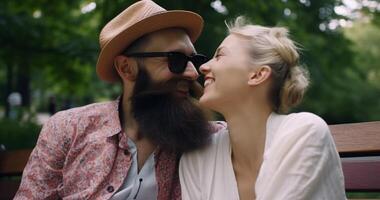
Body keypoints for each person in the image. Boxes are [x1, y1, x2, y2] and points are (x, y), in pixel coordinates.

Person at [14, 1, 223, 199]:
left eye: (194, 61)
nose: (193, 73)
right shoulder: (69, 129)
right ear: (126, 68)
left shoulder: (211, 139)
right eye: (175, 60)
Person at [179, 17, 346, 200]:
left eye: (219, 56)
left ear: (258, 75)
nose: (203, 67)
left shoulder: (305, 132)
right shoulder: (197, 157)